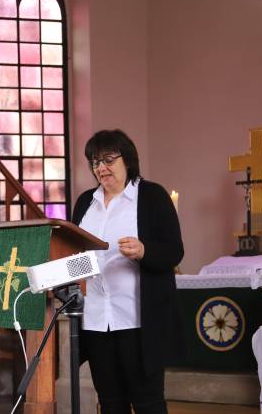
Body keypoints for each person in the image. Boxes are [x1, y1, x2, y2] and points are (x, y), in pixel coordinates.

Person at [71, 129, 184, 414]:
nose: (101, 168)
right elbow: (76, 254)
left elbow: (174, 250)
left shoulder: (152, 196)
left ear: (127, 159)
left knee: (147, 402)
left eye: (108, 159)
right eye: (96, 162)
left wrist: (144, 251)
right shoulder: (85, 202)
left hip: (137, 320)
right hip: (96, 319)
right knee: (110, 402)